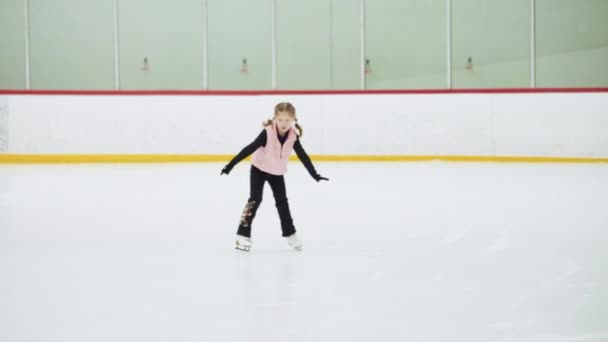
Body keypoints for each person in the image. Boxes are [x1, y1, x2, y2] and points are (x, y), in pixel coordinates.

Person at [221, 102, 328, 252]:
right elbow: (249, 148)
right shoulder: (268, 133)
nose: (284, 123)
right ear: (275, 119)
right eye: (281, 120)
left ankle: (290, 234)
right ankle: (242, 234)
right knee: (255, 199)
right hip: (259, 168)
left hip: (276, 171)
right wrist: (230, 165)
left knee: (282, 202)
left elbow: (303, 156)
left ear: (293, 120)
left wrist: (314, 174)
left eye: (287, 120)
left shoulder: (293, 136)